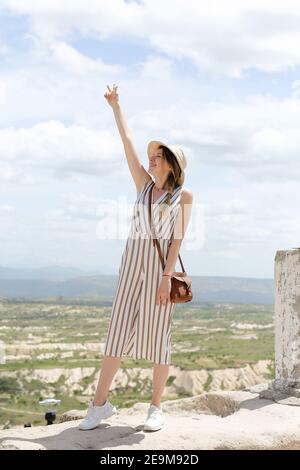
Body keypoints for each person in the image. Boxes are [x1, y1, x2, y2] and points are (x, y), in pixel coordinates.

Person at [79, 83, 193, 432]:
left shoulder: (183, 196)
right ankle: (99, 406)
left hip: (160, 272)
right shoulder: (143, 186)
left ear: (171, 164)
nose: (152, 158)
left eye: (159, 156)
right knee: (116, 334)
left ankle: (156, 408)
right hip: (130, 268)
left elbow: (178, 238)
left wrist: (165, 276)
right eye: (153, 155)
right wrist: (116, 108)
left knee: (159, 338)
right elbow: (128, 145)